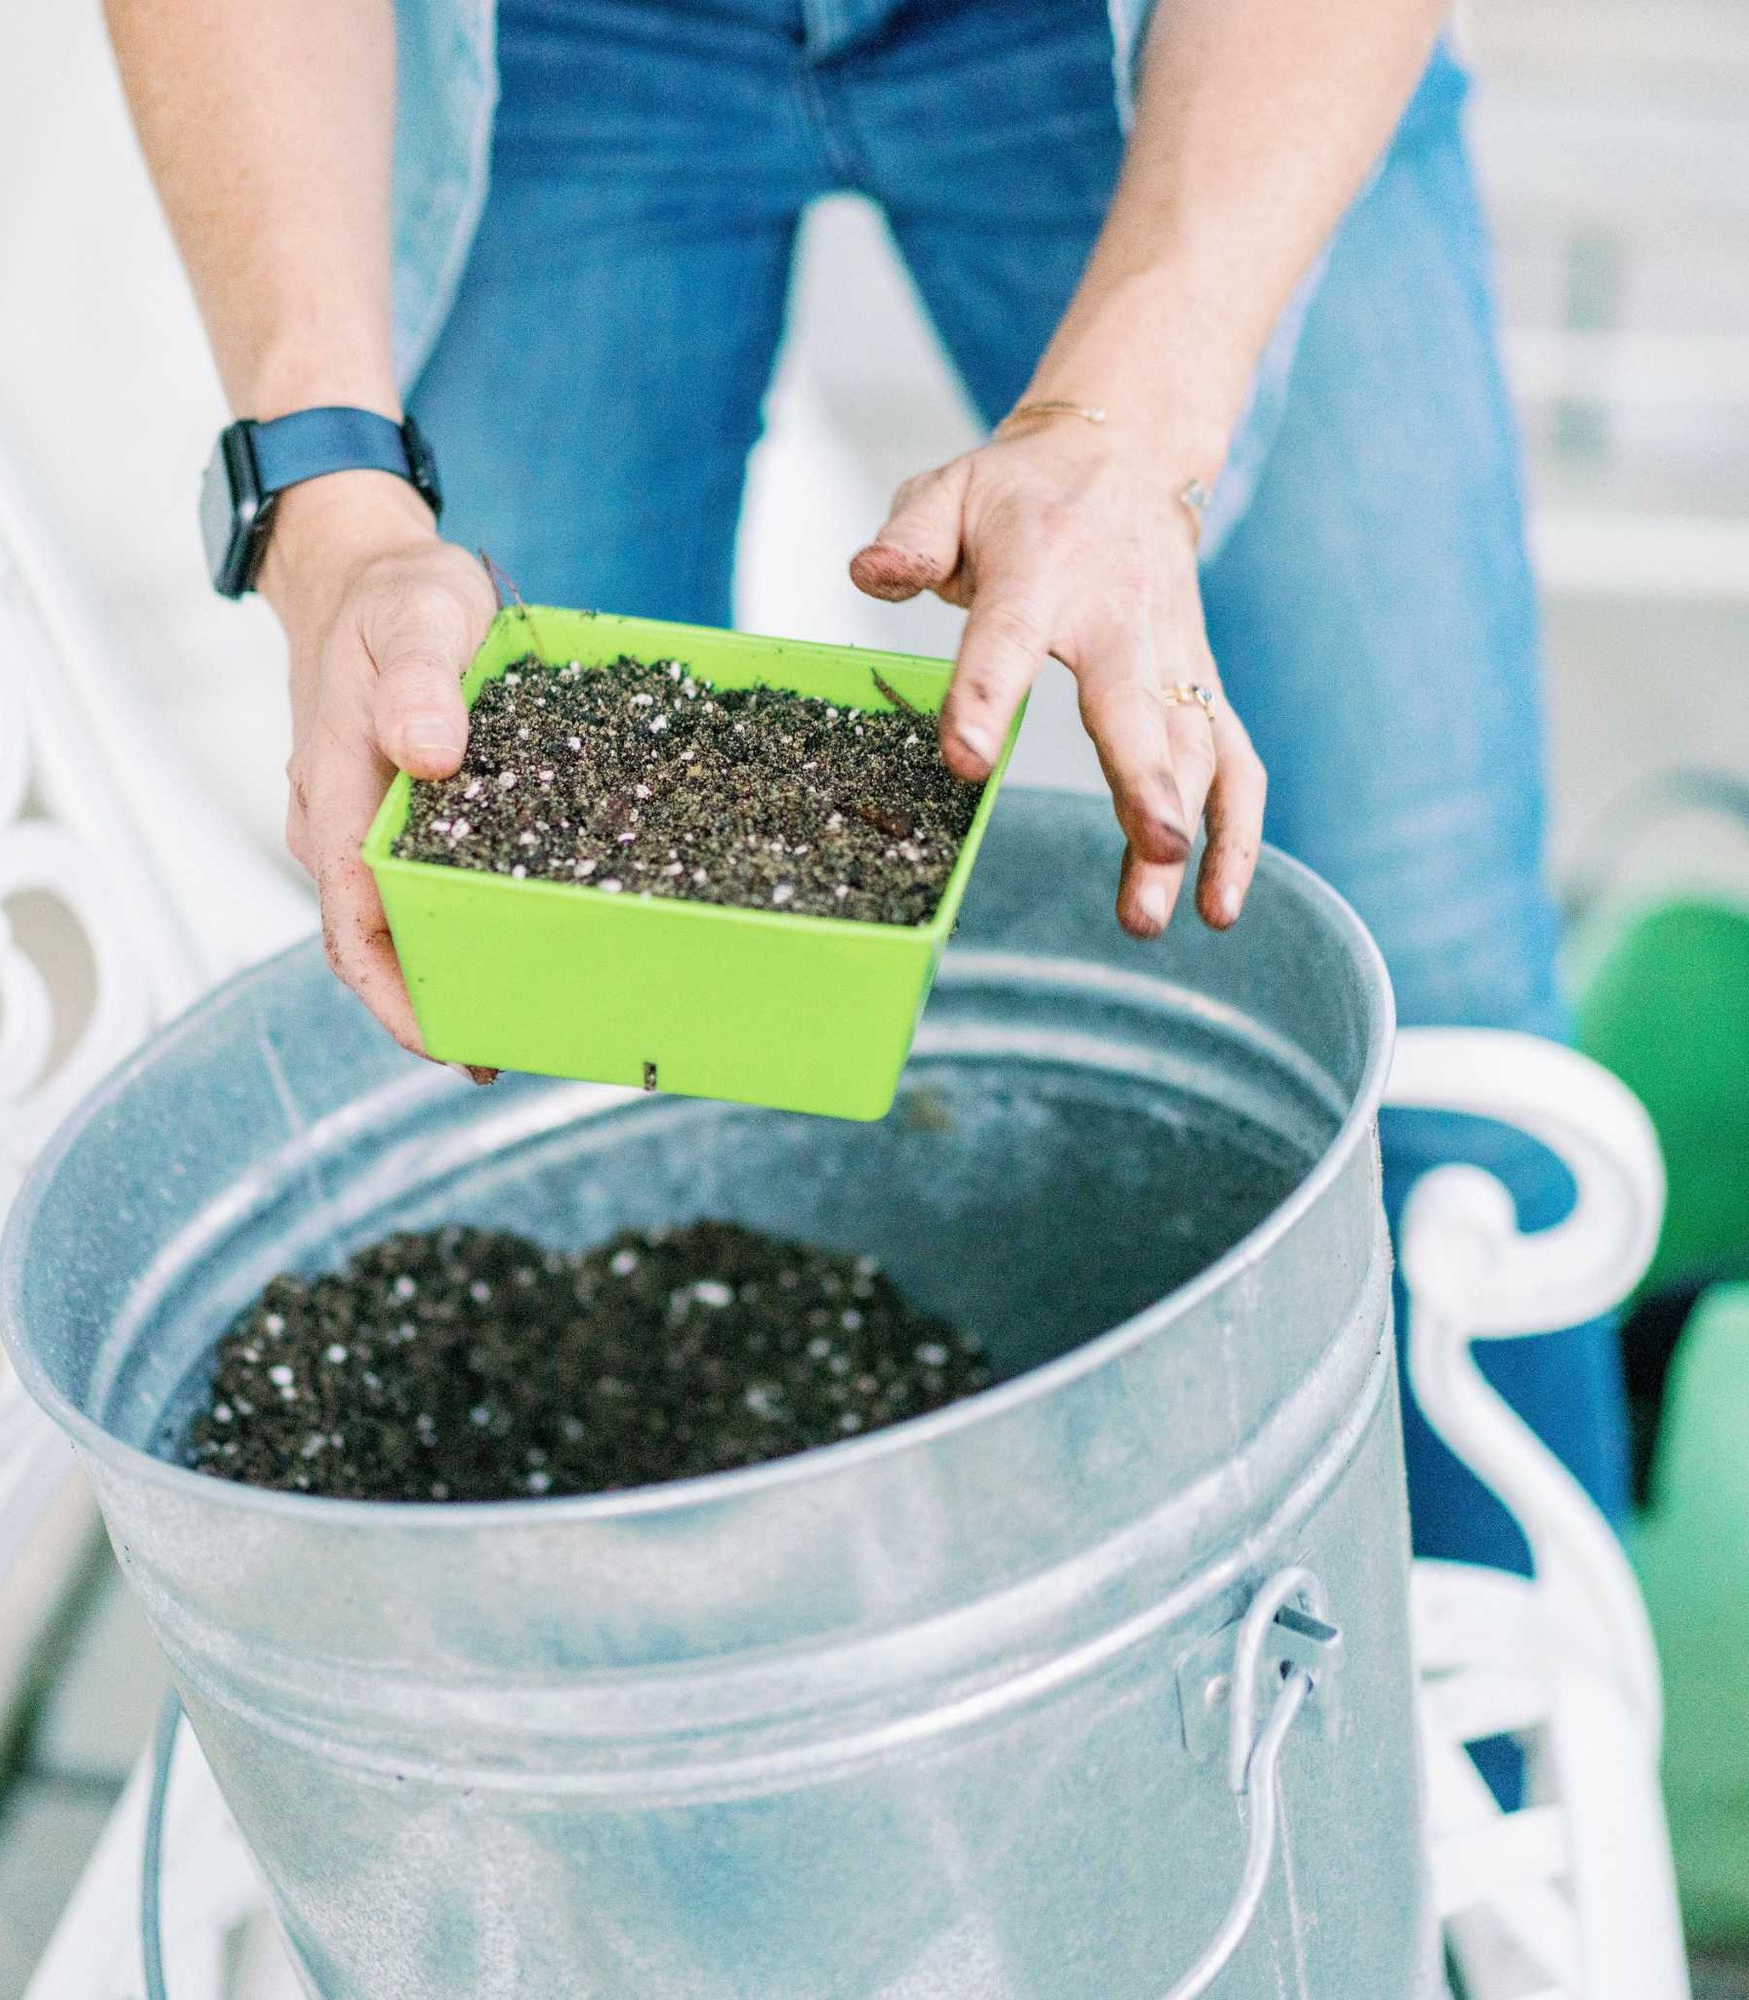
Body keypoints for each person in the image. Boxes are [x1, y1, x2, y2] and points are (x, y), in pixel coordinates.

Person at [106, 0, 1630, 1573]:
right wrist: (332, 506)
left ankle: (1483, 1736)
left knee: (1435, 988)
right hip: (559, 48)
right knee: (503, 993)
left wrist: (1134, 428)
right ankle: (649, 1693)